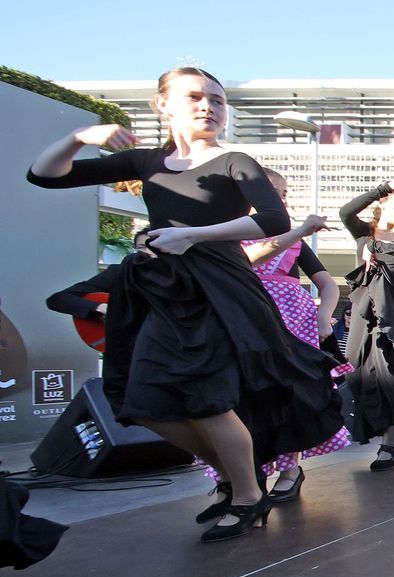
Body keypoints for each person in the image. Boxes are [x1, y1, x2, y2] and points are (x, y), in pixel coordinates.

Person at [27, 66, 343, 543]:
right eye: (195, 97)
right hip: (164, 291)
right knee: (145, 400)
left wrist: (191, 235)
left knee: (207, 398)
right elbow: (44, 176)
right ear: (163, 105)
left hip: (222, 292)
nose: (209, 107)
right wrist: (80, 135)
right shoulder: (147, 162)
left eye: (217, 100)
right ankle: (240, 480)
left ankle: (246, 495)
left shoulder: (235, 161)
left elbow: (275, 219)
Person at [220, 170, 352, 504]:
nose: (281, 199)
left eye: (284, 192)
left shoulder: (296, 239)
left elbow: (327, 283)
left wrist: (325, 317)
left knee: (288, 395)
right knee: (241, 396)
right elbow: (242, 263)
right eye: (273, 192)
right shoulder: (225, 238)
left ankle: (289, 468)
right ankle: (243, 473)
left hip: (291, 323)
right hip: (242, 319)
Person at [338, 177, 394, 471]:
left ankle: (390, 443)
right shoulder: (363, 232)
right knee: (362, 376)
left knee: (392, 374)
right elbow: (346, 213)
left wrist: (376, 247)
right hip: (365, 316)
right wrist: (382, 188)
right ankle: (388, 432)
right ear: (384, 204)